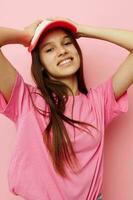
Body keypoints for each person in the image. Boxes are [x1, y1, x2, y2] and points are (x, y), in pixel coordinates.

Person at [0, 16, 132, 200]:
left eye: (67, 43)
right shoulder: (26, 100)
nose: (62, 51)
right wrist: (24, 36)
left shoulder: (100, 101)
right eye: (49, 49)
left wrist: (83, 29)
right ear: (42, 65)